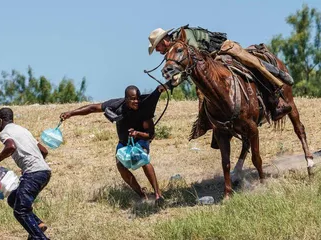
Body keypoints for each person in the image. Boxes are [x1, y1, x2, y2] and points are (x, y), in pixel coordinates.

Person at [148, 26, 293, 122]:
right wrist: (171, 82)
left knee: (251, 64)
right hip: (211, 61)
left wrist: (175, 80)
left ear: (164, 40)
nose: (158, 50)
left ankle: (275, 96)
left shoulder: (184, 36)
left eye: (157, 46)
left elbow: (196, 59)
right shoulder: (174, 51)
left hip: (223, 50)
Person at [60, 85, 166, 205]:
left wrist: (137, 133)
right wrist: (71, 113)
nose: (136, 101)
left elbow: (150, 135)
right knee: (121, 166)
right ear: (126, 99)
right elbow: (92, 108)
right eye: (132, 99)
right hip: (124, 142)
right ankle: (142, 195)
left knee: (142, 158)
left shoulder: (144, 109)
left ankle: (158, 195)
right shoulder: (116, 105)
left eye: (137, 98)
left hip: (140, 139)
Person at [0, 107, 51, 240]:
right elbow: (44, 151)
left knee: (20, 211)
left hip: (34, 173)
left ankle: (40, 237)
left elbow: (10, 147)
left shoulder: (5, 132)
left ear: (0, 120)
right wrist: (32, 165)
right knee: (13, 199)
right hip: (44, 172)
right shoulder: (23, 130)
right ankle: (38, 224)